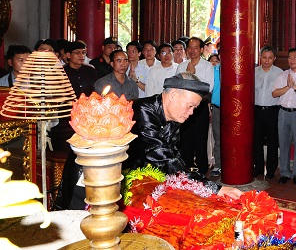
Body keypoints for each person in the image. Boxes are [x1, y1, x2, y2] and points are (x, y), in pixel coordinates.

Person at [55, 73, 242, 210]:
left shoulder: (173, 118)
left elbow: (175, 158)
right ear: (173, 95)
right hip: (93, 175)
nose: (191, 112)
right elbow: (165, 160)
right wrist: (212, 188)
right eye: (190, 106)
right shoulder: (141, 112)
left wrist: (202, 184)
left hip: (123, 176)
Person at [176, 37, 214, 175]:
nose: (192, 51)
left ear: (202, 49)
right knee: (185, 139)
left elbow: (208, 87)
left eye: (196, 48)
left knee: (200, 140)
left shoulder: (207, 66)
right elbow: (176, 85)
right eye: (190, 48)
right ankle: (185, 171)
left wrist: (193, 75)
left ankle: (202, 172)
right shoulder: (181, 66)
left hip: (200, 107)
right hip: (183, 107)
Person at [52, 41, 98, 152]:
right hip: (67, 117)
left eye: (83, 53)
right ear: (68, 55)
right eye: (77, 53)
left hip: (88, 115)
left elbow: (95, 92)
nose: (82, 56)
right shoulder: (60, 72)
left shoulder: (90, 71)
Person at [273, 48, 296, 184]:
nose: (292, 60)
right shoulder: (283, 75)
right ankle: (284, 172)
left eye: (295, 57)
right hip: (283, 112)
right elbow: (274, 93)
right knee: (283, 143)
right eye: (290, 57)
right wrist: (288, 86)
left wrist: (295, 88)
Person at [253, 46, 283, 179]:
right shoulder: (254, 72)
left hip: (273, 111)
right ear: (260, 57)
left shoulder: (280, 73)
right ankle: (258, 167)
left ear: (274, 58)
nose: (267, 60)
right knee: (256, 141)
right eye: (264, 57)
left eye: (270, 58)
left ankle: (271, 169)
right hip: (257, 110)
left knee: (273, 142)